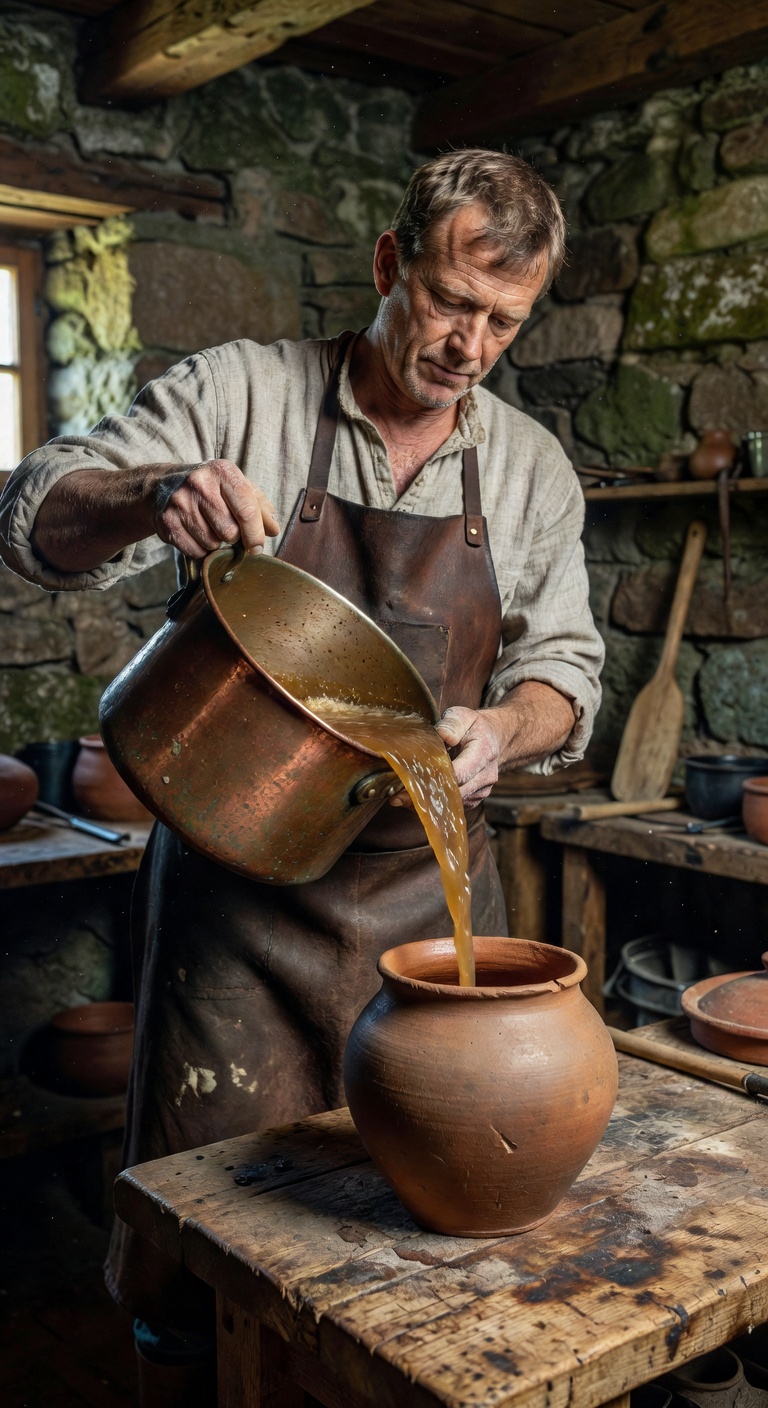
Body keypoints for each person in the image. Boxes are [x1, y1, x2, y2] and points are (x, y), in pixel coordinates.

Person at [0, 148, 603, 1402]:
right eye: (449, 301)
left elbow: (569, 671)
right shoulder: (245, 391)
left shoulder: (532, 469)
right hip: (235, 918)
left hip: (424, 915)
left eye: (503, 322)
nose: (468, 345)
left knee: (420, 1271)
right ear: (390, 265)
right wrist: (152, 493)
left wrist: (503, 726)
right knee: (203, 1274)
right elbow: (36, 512)